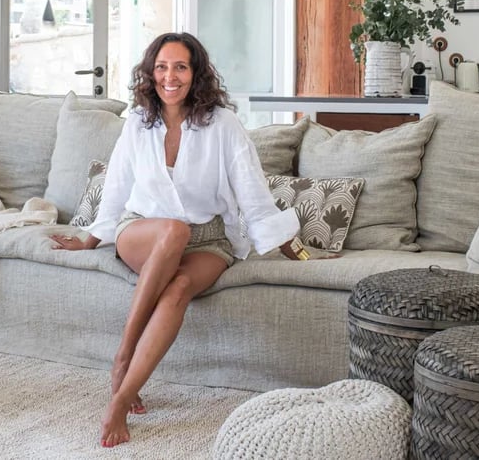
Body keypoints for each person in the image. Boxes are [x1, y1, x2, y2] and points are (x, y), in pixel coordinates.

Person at [50, 31, 302, 448]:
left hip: (208, 240)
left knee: (179, 286)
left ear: (196, 73)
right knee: (172, 229)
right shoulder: (137, 121)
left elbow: (251, 187)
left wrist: (285, 240)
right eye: (162, 67)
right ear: (151, 73)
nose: (171, 76)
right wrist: (93, 238)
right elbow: (116, 185)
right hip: (143, 231)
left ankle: (123, 394)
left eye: (181, 67)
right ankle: (123, 357)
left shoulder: (223, 124)